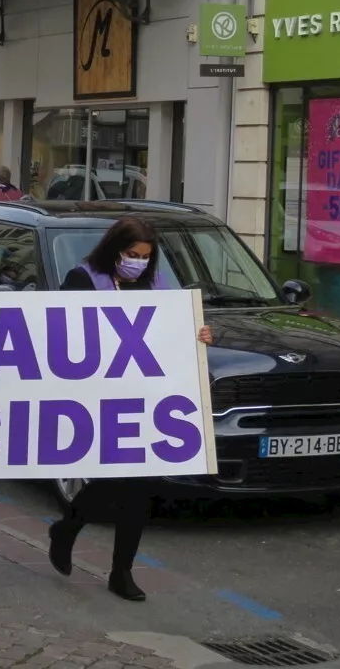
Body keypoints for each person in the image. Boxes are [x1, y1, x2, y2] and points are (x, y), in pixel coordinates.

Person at [47, 216, 213, 603]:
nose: (137, 262)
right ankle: (69, 527)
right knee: (109, 479)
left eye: (144, 256)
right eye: (131, 254)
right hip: (98, 398)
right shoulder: (82, 280)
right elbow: (62, 334)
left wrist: (199, 333)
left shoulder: (155, 284)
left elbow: (173, 332)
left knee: (139, 486)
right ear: (113, 250)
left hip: (143, 399)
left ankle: (120, 571)